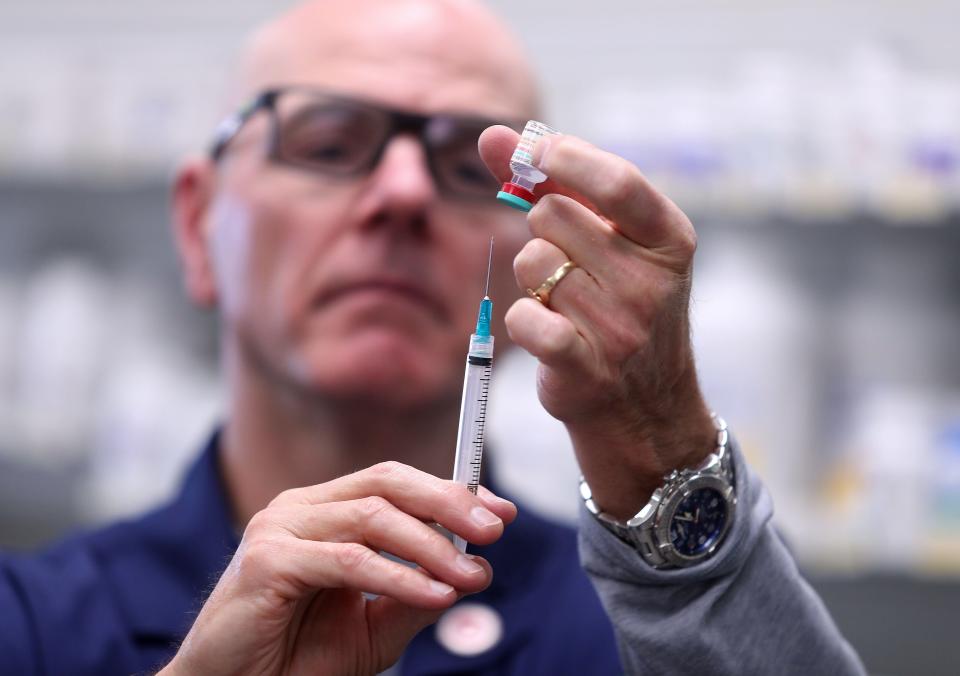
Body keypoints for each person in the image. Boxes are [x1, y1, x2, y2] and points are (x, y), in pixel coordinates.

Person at [0, 1, 866, 674]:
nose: (404, 193)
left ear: (540, 256)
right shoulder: (31, 627)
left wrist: (663, 450)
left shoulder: (635, 637)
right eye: (330, 140)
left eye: (465, 166)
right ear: (198, 226)